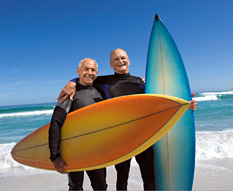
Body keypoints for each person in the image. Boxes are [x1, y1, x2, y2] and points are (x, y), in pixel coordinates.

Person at [57, 48, 198, 190]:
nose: (120, 61)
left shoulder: (142, 83)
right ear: (111, 65)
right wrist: (71, 83)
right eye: (116, 59)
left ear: (129, 61)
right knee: (122, 177)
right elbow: (85, 77)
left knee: (149, 176)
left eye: (123, 58)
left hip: (143, 136)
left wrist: (186, 103)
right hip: (120, 138)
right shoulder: (103, 81)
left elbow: (164, 100)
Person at [48, 58, 107, 191]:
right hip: (74, 152)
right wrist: (55, 156)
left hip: (96, 151)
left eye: (93, 70)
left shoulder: (100, 92)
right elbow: (55, 124)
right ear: (78, 71)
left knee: (101, 187)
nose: (89, 73)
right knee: (76, 187)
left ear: (97, 73)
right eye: (86, 69)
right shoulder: (70, 93)